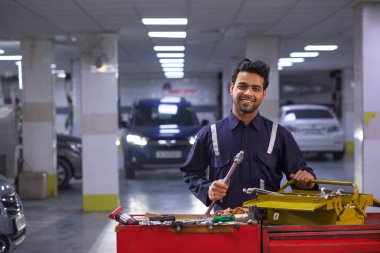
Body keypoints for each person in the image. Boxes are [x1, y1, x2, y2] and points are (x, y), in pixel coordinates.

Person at [180, 58, 317, 211]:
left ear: (263, 94)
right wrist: (207, 189)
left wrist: (308, 182)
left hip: (266, 225)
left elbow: (302, 175)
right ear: (231, 88)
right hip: (225, 225)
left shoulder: (279, 135)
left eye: (255, 88)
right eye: (242, 86)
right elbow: (190, 173)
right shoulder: (209, 134)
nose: (248, 93)